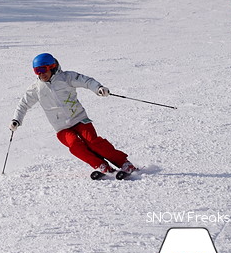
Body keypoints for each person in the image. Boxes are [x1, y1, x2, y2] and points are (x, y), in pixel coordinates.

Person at [9, 53, 137, 176]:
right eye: (37, 71)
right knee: (75, 146)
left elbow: (86, 81)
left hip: (79, 119)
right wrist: (16, 120)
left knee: (93, 142)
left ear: (52, 67)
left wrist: (98, 88)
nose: (40, 74)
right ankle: (101, 166)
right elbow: (23, 104)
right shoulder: (36, 88)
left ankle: (124, 163)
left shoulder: (66, 77)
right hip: (61, 127)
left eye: (43, 69)